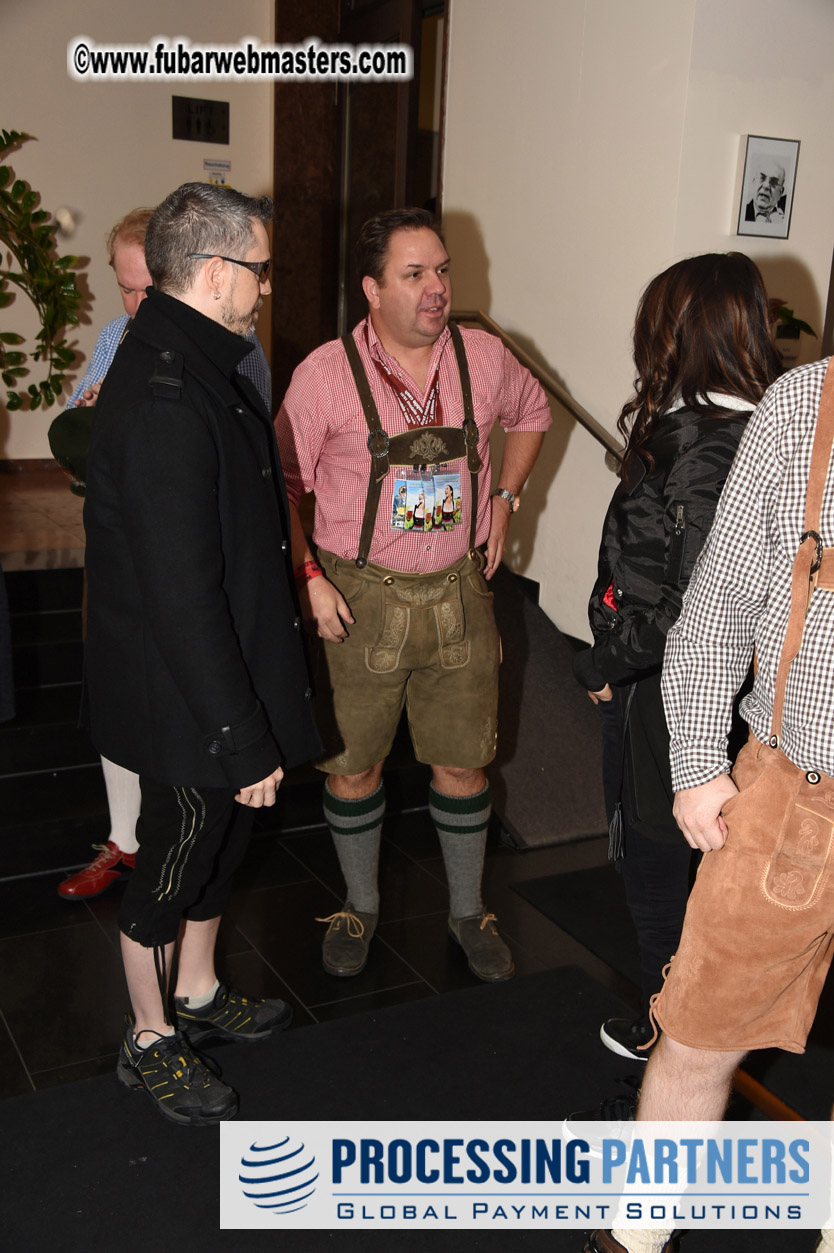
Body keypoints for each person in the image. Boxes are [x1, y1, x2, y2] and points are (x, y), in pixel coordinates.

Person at [584, 353, 834, 1252]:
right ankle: (636, 1235)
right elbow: (721, 597)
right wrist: (695, 760)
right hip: (792, 799)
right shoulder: (810, 401)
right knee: (696, 1032)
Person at [83, 182, 320, 1125]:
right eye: (258, 270)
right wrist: (239, 733)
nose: (264, 287)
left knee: (221, 845)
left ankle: (197, 988)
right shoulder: (165, 391)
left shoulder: (199, 356)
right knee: (173, 860)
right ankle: (147, 1037)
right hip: (184, 691)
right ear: (217, 272)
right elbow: (180, 596)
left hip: (223, 666)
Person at [275, 207, 551, 983]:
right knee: (352, 766)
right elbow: (279, 482)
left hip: (459, 592)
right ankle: (359, 903)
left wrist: (506, 497)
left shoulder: (485, 357)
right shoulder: (325, 375)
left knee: (464, 765)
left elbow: (533, 414)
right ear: (371, 289)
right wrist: (308, 577)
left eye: (442, 270)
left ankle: (467, 910)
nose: (437, 289)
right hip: (358, 600)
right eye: (415, 274)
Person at [572, 253, 782, 1072]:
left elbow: (688, 604)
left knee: (661, 871)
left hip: (672, 689)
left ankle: (676, 1048)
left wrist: (604, 660)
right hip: (736, 686)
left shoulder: (698, 440)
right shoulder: (767, 425)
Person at [57, 207, 273, 901]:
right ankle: (124, 839)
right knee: (125, 693)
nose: (137, 301)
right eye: (125, 287)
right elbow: (80, 435)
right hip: (127, 551)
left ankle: (167, 883)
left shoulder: (235, 346)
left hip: (194, 555)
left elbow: (255, 452)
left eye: (146, 284)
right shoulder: (119, 339)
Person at [744, 155, 786, 224]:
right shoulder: (740, 213)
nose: (766, 186)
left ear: (780, 193)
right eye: (762, 178)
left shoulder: (784, 221)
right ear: (754, 182)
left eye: (774, 182)